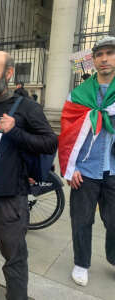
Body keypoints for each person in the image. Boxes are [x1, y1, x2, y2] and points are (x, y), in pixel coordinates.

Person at [0, 51, 57, 300]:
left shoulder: (27, 108)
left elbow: (50, 142)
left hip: (9, 202)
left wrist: (15, 131)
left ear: (8, 73)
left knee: (14, 259)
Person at [58, 36, 115, 287]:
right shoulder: (78, 94)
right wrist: (71, 168)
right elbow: (67, 134)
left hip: (112, 170)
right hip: (85, 170)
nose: (104, 58)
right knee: (82, 220)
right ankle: (81, 263)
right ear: (93, 60)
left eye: (110, 53)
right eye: (99, 54)